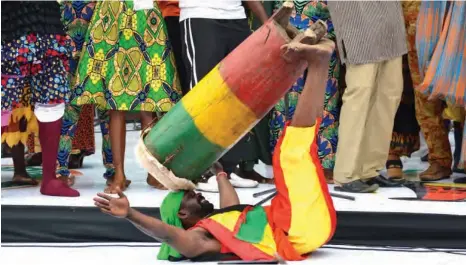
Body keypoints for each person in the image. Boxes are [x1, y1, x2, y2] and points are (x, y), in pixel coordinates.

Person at [94, 37, 337, 261]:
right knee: (291, 152)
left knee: (298, 145)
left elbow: (230, 204)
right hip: (297, 227)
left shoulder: (223, 221)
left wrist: (219, 172)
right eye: (190, 197)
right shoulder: (201, 238)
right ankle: (318, 63)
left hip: (303, 224)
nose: (198, 194)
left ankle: (319, 63)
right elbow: (170, 235)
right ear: (182, 216)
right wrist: (130, 215)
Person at [71, 0, 182, 193]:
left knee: (150, 100)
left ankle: (153, 172)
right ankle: (119, 174)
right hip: (112, 15)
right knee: (116, 103)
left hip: (147, 17)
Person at [179, 0, 272, 191]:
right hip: (200, 15)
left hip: (235, 17)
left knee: (237, 96)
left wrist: (265, 20)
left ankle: (228, 169)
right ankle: (202, 171)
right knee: (204, 97)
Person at [327, 1, 407, 193]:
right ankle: (346, 174)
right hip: (356, 14)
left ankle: (370, 170)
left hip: (389, 15)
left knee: (390, 93)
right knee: (360, 92)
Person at [1, 1, 79, 196]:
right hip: (10, 24)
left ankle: (50, 179)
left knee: (53, 99)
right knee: (3, 98)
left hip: (48, 24)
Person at [269, 0, 342, 183]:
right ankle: (283, 165)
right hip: (288, 31)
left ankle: (324, 165)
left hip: (324, 31)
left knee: (325, 100)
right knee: (285, 104)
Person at [414, 0, 465, 181]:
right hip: (425, 12)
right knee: (424, 89)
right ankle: (439, 159)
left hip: (454, 11)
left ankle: (459, 158)